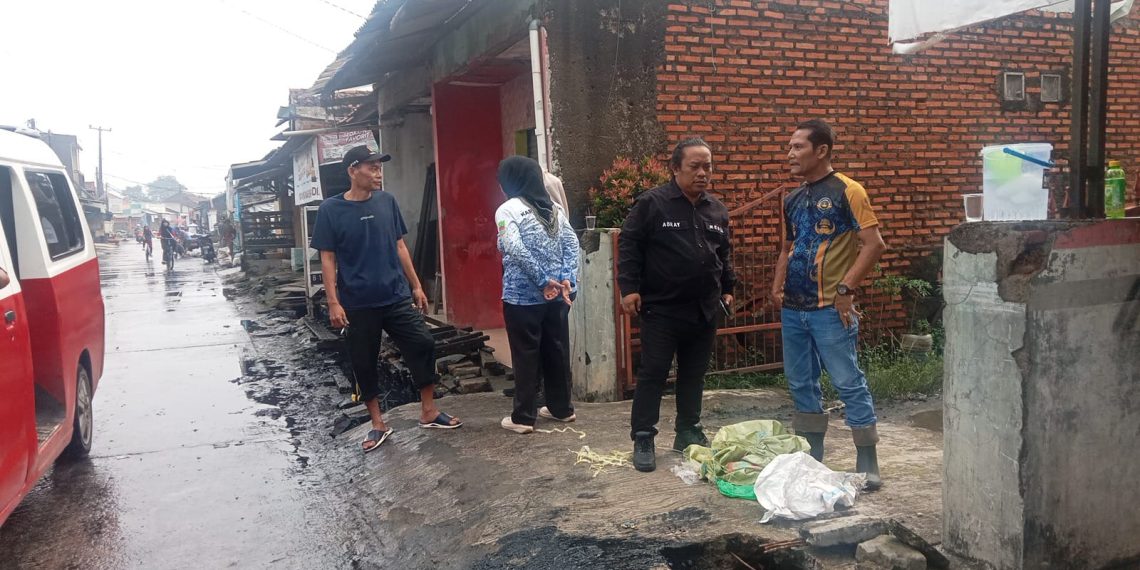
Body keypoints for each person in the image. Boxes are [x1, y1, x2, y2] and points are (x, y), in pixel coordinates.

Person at [311, 145, 462, 453]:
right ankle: (378, 424)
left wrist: (417, 286)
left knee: (423, 342)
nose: (378, 172)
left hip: (394, 295)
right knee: (364, 361)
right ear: (353, 170)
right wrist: (333, 301)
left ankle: (429, 411)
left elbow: (400, 246)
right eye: (371, 166)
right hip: (357, 301)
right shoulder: (331, 210)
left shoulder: (386, 201)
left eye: (379, 166)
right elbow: (327, 258)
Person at [771, 119, 887, 489]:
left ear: (821, 151)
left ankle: (867, 458)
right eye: (789, 147)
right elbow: (787, 248)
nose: (790, 154)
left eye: (798, 147)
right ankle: (811, 455)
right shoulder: (791, 198)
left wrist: (845, 290)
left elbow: (874, 244)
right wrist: (777, 288)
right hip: (794, 308)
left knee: (847, 381)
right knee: (800, 383)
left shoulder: (848, 191)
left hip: (829, 309)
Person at [618, 138, 735, 473]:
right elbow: (629, 245)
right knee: (653, 374)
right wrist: (629, 289)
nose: (702, 173)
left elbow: (723, 254)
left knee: (693, 375)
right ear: (675, 168)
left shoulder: (716, 209)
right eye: (694, 166)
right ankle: (643, 437)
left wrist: (728, 289)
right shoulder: (652, 204)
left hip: (704, 309)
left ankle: (688, 431)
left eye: (707, 167)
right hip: (662, 309)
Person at [495, 156, 580, 434]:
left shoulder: (508, 209)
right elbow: (572, 243)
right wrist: (568, 281)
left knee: (525, 354)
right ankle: (561, 408)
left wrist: (544, 281)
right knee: (556, 350)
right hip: (557, 299)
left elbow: (514, 248)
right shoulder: (555, 208)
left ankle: (523, 417)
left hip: (522, 299)